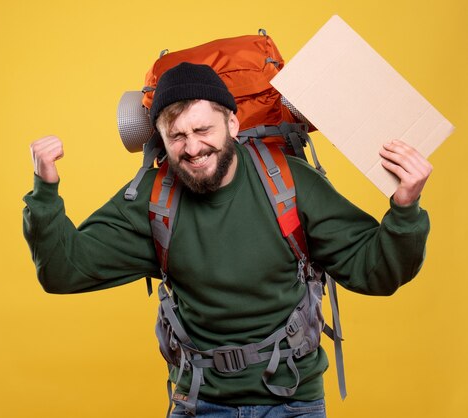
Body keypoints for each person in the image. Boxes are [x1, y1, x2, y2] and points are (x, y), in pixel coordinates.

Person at [22, 63, 431, 417]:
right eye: (177, 136)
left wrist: (405, 208)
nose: (193, 147)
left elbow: (376, 273)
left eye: (203, 129)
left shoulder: (287, 182)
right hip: (198, 402)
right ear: (161, 140)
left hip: (293, 401)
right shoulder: (153, 198)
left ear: (232, 124)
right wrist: (44, 190)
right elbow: (62, 271)